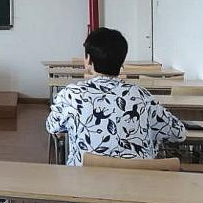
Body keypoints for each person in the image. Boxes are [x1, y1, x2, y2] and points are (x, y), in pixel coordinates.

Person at [46, 27, 186, 166]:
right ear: (122, 62)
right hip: (139, 179)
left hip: (84, 178)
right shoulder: (141, 95)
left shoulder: (71, 95)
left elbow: (52, 126)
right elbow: (179, 133)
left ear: (88, 60)